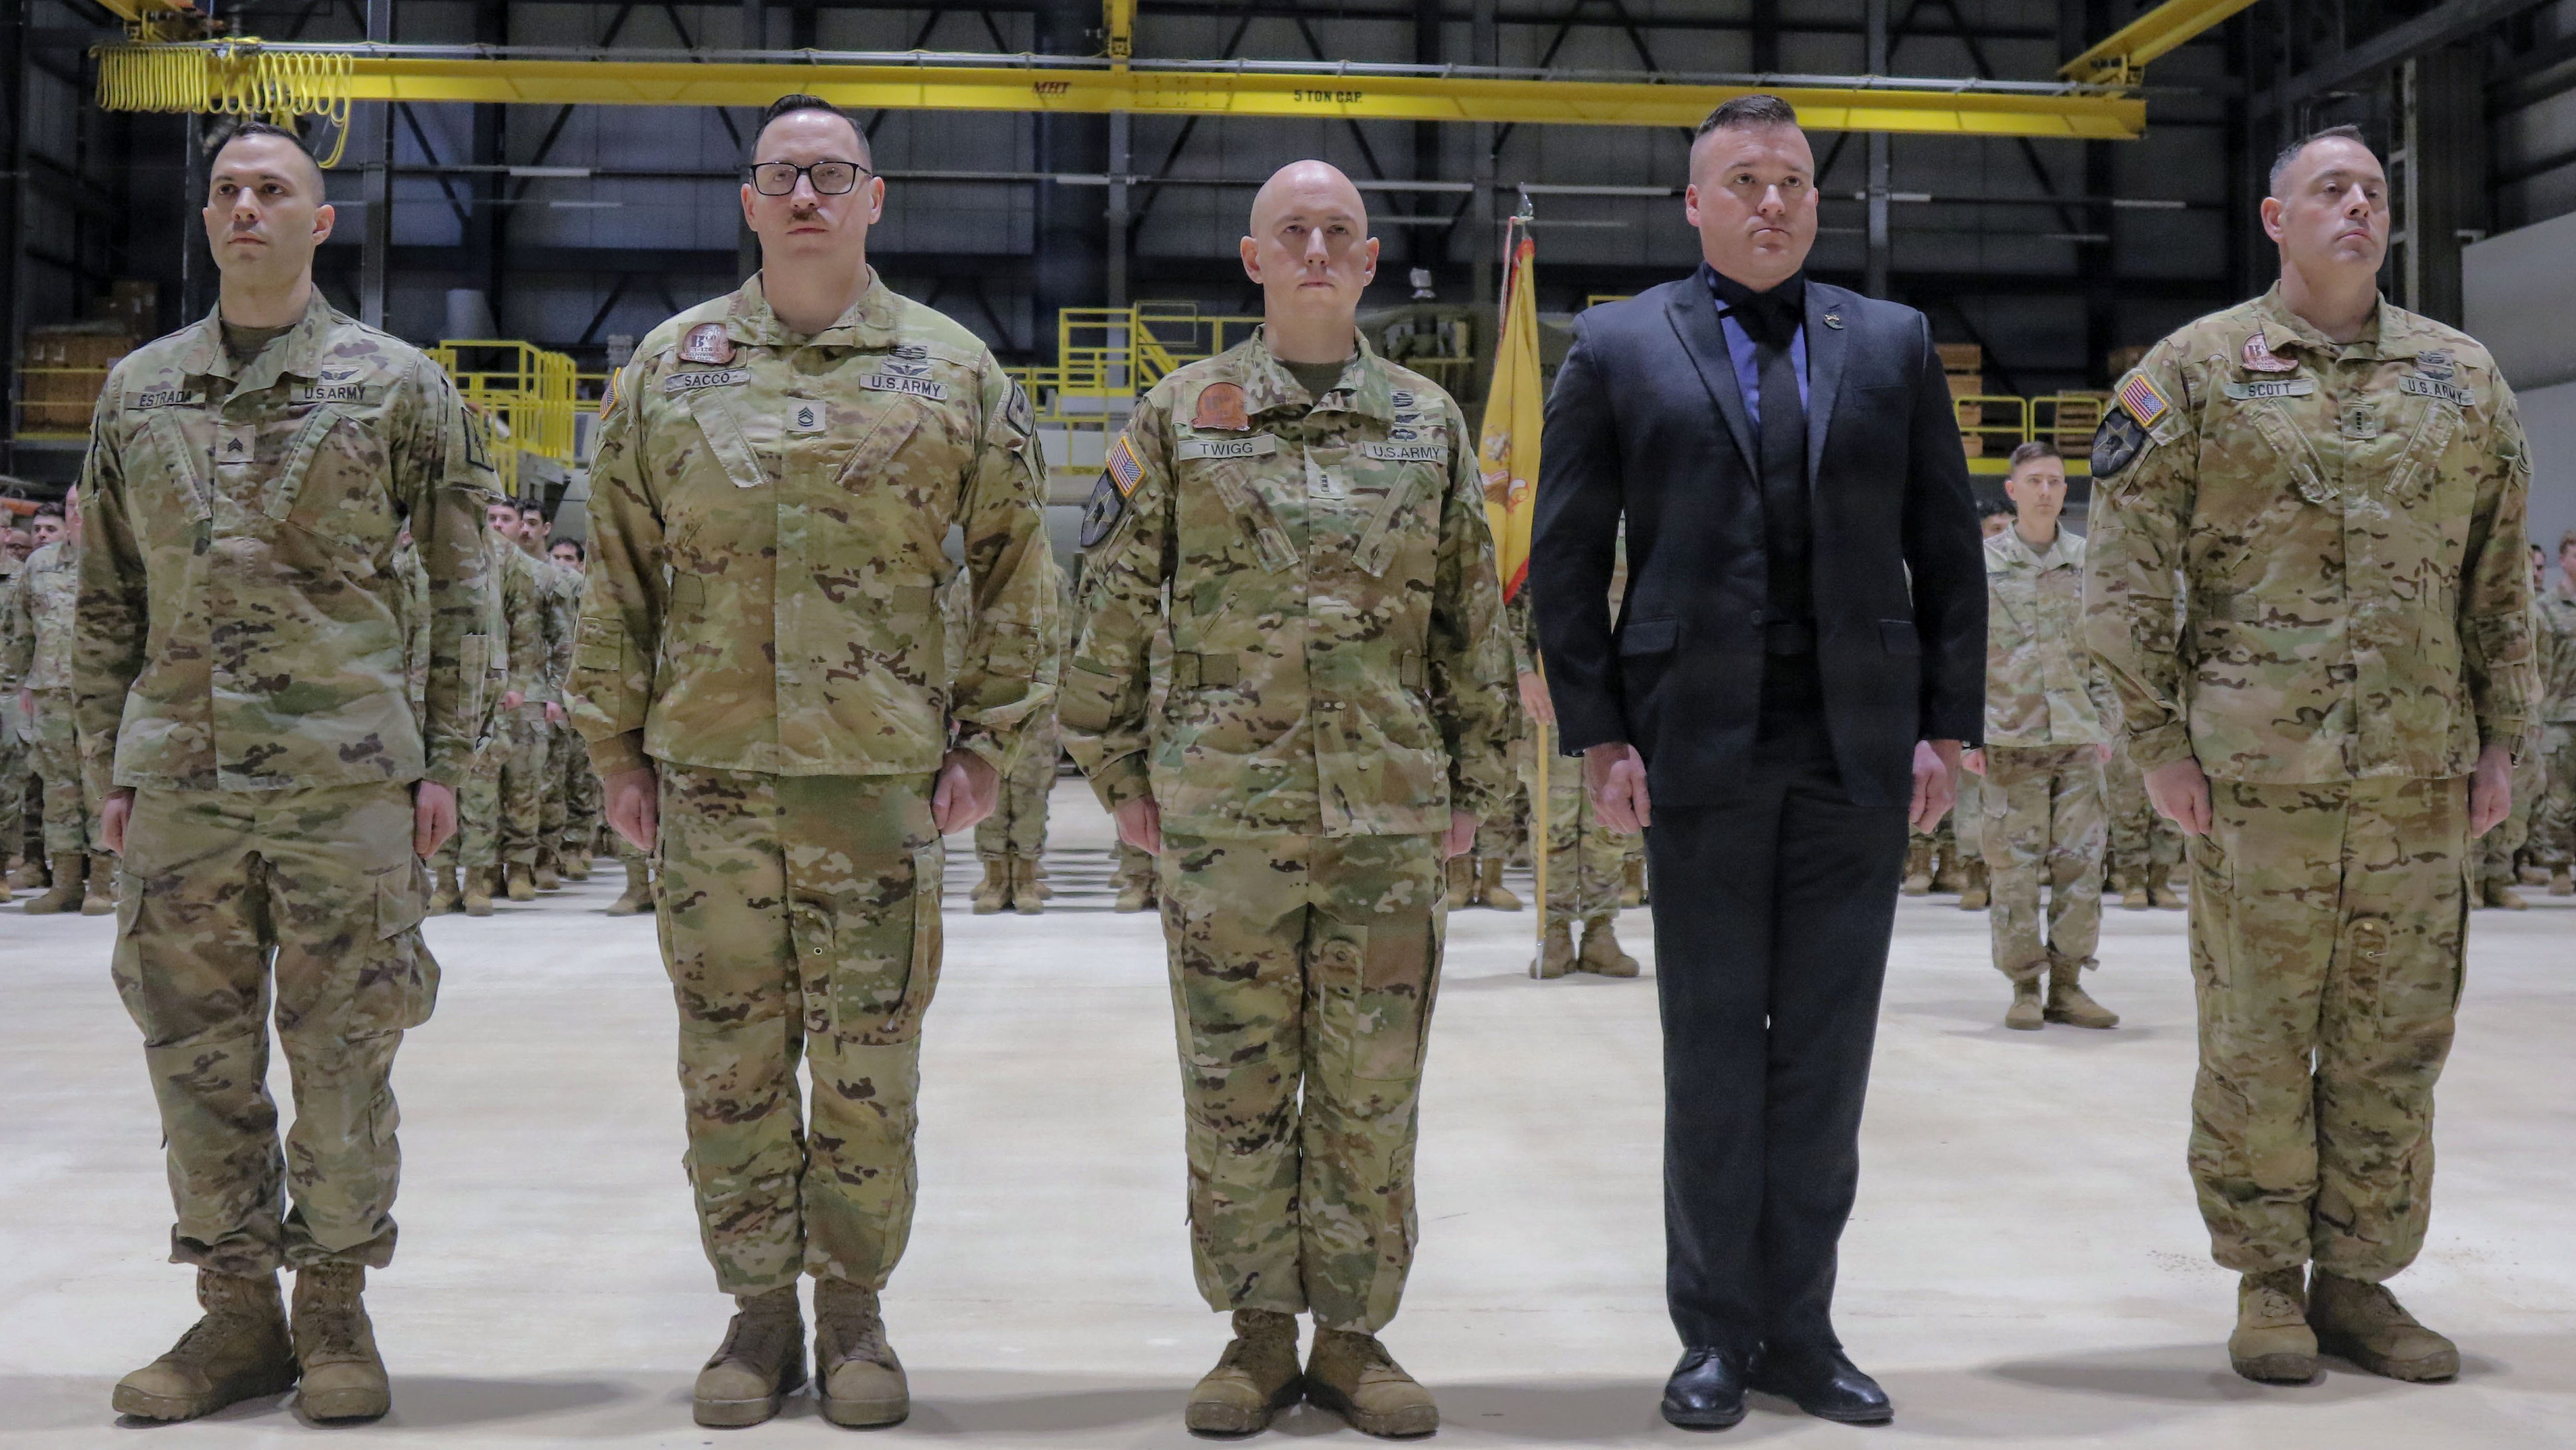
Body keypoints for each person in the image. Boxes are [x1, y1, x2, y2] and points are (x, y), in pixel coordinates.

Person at [569, 93, 1059, 1430]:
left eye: (830, 174)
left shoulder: (952, 372)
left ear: (873, 198)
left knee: (867, 1064)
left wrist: (992, 742)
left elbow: (1020, 568)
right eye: (781, 174)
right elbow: (613, 571)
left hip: (875, 787)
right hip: (711, 783)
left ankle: (853, 1313)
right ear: (746, 200)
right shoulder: (669, 371)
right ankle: (751, 1316)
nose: (804, 196)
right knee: (725, 1062)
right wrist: (614, 746)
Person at [1531, 95, 1984, 1430]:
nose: (1770, 201)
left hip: (1854, 748)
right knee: (1714, 1051)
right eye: (1742, 180)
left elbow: (1946, 549)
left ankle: (1803, 1327)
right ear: (1693, 204)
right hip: (1695, 751)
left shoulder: (1890, 344)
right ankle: (1713, 1334)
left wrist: (1944, 725)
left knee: (1825, 1060)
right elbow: (1565, 561)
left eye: (1790, 180)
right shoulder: (1616, 344)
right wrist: (1599, 730)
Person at [1059, 160, 1514, 1438]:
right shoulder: (1177, 417)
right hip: (1225, 821)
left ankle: (1357, 1338)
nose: (1315, 249)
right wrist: (1114, 770)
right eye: (1290, 232)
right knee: (1234, 1085)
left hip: (1383, 814)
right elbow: (1108, 605)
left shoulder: (1425, 422)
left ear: (1368, 263)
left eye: (1337, 233)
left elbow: (1468, 621)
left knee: (1371, 1085)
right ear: (1252, 261)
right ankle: (1256, 1334)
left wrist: (1476, 782)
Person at [2084, 124, 2535, 1387]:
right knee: (2255, 1034)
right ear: (2272, 218)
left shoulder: (2460, 379)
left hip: (2415, 781)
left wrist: (2506, 740)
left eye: (2374, 192)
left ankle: (2360, 1280)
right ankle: (2265, 1282)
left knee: (2396, 1039)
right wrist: (2158, 745)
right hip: (2256, 787)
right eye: (2327, 189)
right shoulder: (2193, 373)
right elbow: (2119, 581)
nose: (2358, 207)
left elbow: (2496, 585)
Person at [77, 119, 493, 1423]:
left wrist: (445, 768)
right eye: (227, 191)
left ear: (321, 223)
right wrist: (110, 765)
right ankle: (234, 1317)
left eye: (275, 190)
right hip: (181, 783)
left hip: (348, 779)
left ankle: (334, 1313)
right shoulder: (137, 391)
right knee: (192, 1059)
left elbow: (464, 590)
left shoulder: (397, 386)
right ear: (206, 222)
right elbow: (105, 601)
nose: (247, 207)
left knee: (344, 1056)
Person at [1961, 442, 2119, 1030]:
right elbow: (1963, 654)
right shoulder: (1980, 563)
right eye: (2034, 480)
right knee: (2013, 867)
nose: (2046, 491)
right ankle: (2024, 984)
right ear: (2012, 489)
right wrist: (1967, 734)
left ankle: (2069, 984)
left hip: (2077, 737)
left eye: (2054, 480)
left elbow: (2108, 650)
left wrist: (2106, 725)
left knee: (2082, 865)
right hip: (2008, 735)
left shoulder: (2088, 561)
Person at [3, 500, 110, 914]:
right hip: (48, 694)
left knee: (100, 787)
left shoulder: (117, 563)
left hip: (99, 695)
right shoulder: (39, 565)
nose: (76, 513)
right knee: (58, 790)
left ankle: (103, 880)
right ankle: (65, 882)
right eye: (70, 506)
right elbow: (20, 629)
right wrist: (14, 686)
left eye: (84, 505)